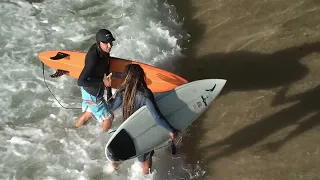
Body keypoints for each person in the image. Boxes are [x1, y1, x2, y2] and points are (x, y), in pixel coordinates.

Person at [106, 64, 178, 175]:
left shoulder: (122, 91)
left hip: (126, 132)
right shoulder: (145, 93)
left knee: (118, 156)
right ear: (141, 76)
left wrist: (108, 87)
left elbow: (110, 107)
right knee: (145, 164)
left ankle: (107, 174)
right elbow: (157, 116)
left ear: (127, 77)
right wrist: (171, 130)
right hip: (142, 134)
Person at [74, 29, 115, 132]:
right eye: (106, 43)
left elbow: (106, 72)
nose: (109, 45)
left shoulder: (104, 51)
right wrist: (102, 84)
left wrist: (109, 92)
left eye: (111, 42)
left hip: (90, 93)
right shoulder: (93, 58)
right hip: (92, 93)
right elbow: (81, 81)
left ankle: (73, 130)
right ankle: (102, 141)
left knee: (89, 113)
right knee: (109, 118)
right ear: (98, 43)